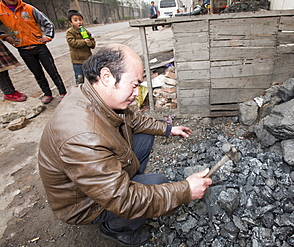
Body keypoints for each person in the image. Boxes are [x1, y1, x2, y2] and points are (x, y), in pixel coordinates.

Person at [38, 43, 212, 246]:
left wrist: (168, 129)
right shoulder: (82, 135)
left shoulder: (93, 95)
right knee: (158, 182)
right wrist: (185, 190)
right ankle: (116, 229)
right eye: (135, 85)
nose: (137, 94)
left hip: (94, 182)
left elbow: (134, 121)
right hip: (84, 204)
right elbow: (125, 200)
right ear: (106, 76)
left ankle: (129, 183)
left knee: (145, 136)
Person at [0, 0, 67, 104]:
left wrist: (48, 36)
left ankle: (63, 92)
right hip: (23, 49)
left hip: (39, 47)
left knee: (52, 71)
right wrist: (5, 37)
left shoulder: (28, 8)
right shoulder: (1, 11)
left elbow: (48, 23)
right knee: (37, 74)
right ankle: (47, 93)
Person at [66, 10, 96, 84]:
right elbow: (73, 43)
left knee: (90, 77)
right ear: (71, 22)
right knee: (80, 78)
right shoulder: (70, 32)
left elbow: (92, 42)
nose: (79, 22)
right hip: (77, 60)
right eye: (75, 20)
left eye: (80, 20)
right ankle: (80, 91)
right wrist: (84, 42)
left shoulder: (85, 31)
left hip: (88, 59)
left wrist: (90, 43)